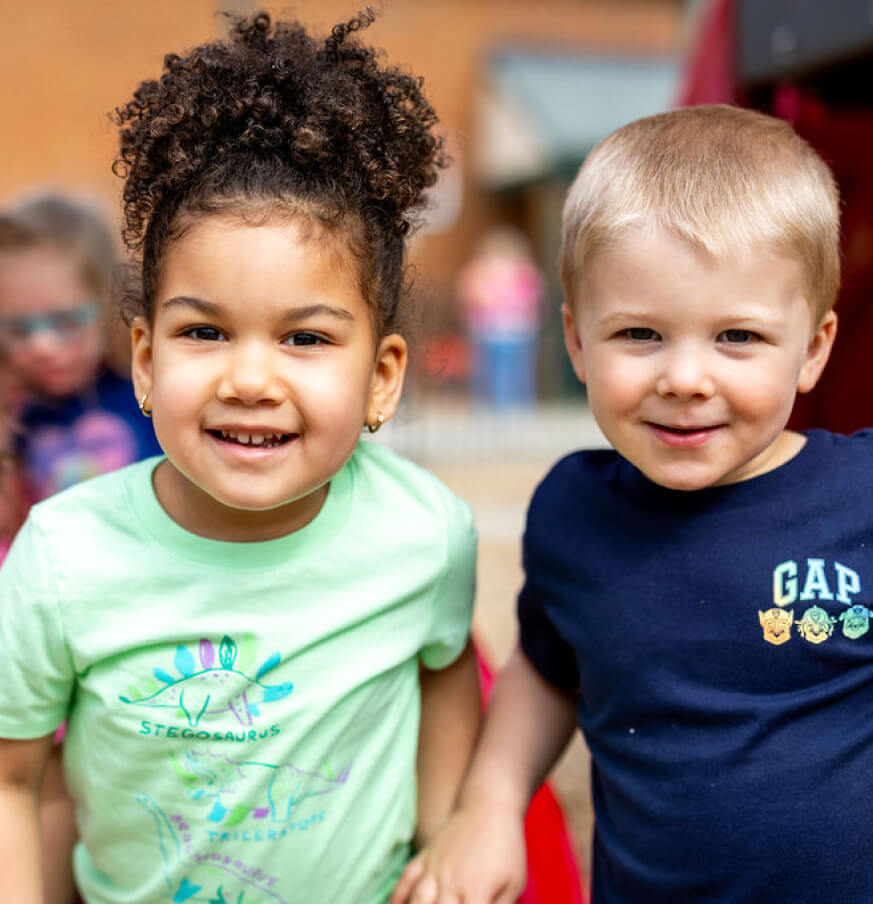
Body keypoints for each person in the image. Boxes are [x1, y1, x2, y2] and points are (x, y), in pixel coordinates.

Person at [0, 11, 481, 903]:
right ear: (145, 358)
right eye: (205, 331)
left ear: (382, 378)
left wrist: (447, 828)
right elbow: (12, 779)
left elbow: (445, 663)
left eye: (304, 337)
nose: (250, 378)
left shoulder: (425, 534)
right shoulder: (63, 561)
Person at [392, 104, 868, 904]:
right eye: (640, 334)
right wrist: (490, 804)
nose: (684, 378)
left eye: (737, 338)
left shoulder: (857, 500)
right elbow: (546, 671)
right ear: (576, 341)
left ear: (812, 348)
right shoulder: (573, 514)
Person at [0, 193, 162, 514]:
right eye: (18, 329)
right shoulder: (16, 417)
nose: (42, 346)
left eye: (66, 321)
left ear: (110, 305)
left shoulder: (151, 388)